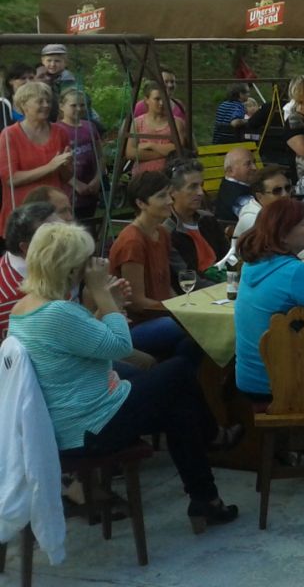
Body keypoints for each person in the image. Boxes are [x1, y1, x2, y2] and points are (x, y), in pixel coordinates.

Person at [10, 222, 240, 534]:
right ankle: (212, 439)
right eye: (87, 261)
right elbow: (120, 346)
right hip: (89, 428)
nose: (94, 266)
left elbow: (87, 342)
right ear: (70, 267)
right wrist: (104, 298)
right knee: (178, 371)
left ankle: (207, 499)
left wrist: (109, 306)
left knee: (179, 406)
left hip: (78, 419)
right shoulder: (56, 313)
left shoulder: (26, 308)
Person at [235, 198, 304, 399]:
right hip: (285, 385)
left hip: (249, 381)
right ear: (283, 235)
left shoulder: (250, 266)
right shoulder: (297, 272)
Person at [107, 171, 190, 358]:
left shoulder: (162, 233)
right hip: (136, 325)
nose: (169, 201)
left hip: (161, 315)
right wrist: (178, 313)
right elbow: (136, 302)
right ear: (141, 203)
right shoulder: (133, 242)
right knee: (182, 327)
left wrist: (183, 308)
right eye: (161, 196)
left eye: (169, 194)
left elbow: (165, 285)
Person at [0, 81, 71, 238]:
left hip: (54, 212)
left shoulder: (60, 132)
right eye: (40, 101)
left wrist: (65, 165)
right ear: (24, 105)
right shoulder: (9, 134)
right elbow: (10, 179)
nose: (46, 105)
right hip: (23, 213)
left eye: (48, 101)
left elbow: (66, 178)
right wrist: (50, 166)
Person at [234, 165, 304, 260]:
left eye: (287, 188)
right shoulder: (251, 218)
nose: (285, 194)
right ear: (260, 196)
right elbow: (285, 251)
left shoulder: (287, 210)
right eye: (277, 191)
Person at [0, 201, 58, 339]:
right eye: (53, 237)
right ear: (27, 248)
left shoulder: (47, 266)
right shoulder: (10, 298)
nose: (68, 239)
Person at [168, 159, 230, 278]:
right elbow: (186, 277)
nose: (200, 192)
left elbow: (228, 258)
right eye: (193, 187)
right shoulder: (168, 231)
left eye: (201, 186)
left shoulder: (209, 220)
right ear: (173, 192)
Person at [50, 88, 101, 223]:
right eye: (73, 105)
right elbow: (55, 162)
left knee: (89, 224)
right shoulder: (56, 130)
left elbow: (100, 156)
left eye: (82, 105)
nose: (79, 109)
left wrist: (97, 179)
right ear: (61, 106)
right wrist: (76, 184)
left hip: (91, 188)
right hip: (69, 190)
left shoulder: (90, 126)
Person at [127, 80, 187, 175]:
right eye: (157, 99)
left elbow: (178, 149)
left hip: (169, 176)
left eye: (164, 98)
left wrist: (151, 145)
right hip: (143, 176)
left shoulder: (176, 123)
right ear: (146, 100)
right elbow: (130, 152)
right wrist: (165, 152)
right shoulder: (137, 123)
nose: (161, 103)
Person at [214, 147, 257, 223]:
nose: (255, 168)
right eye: (248, 164)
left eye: (254, 162)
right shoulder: (239, 198)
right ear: (230, 171)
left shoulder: (228, 185)